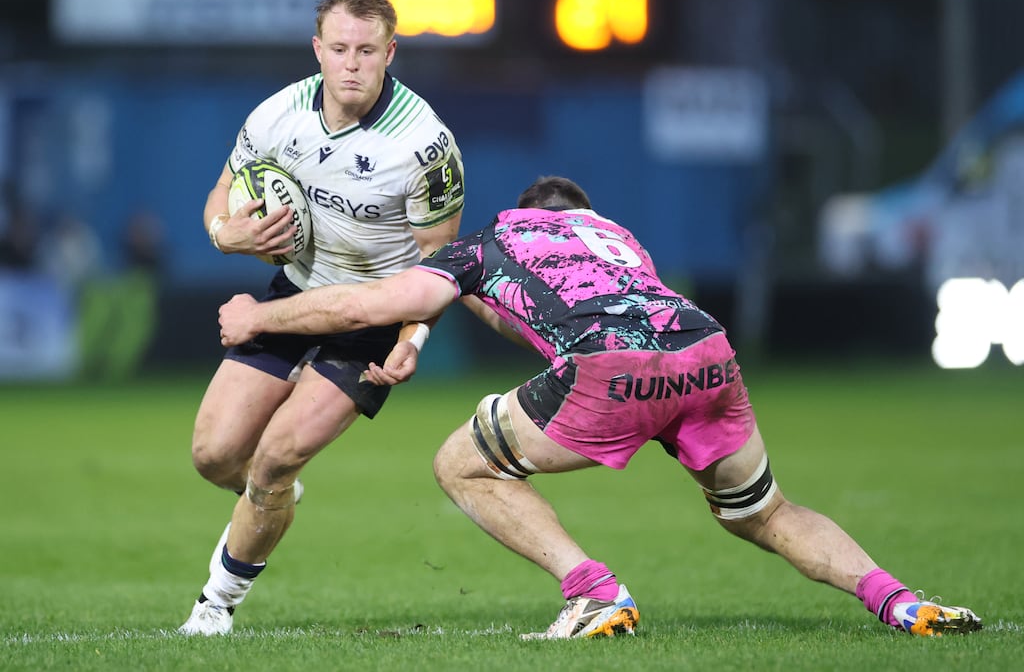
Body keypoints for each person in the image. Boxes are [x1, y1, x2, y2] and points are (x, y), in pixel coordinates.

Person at [216, 175, 981, 640]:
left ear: (526, 211)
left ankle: (593, 593)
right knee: (764, 511)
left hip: (609, 366)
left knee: (463, 465)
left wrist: (262, 317)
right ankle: (899, 602)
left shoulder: (498, 236)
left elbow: (375, 303)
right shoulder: (618, 239)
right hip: (705, 351)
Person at [178, 0, 465, 636]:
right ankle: (272, 498)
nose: (352, 63)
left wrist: (413, 339)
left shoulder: (424, 146)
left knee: (275, 456)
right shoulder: (278, 115)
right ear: (318, 50)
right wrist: (228, 235)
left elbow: (441, 263)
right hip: (296, 292)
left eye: (367, 50)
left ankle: (213, 608)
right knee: (215, 455)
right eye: (339, 48)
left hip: (373, 321)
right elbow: (222, 195)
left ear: (391, 53)